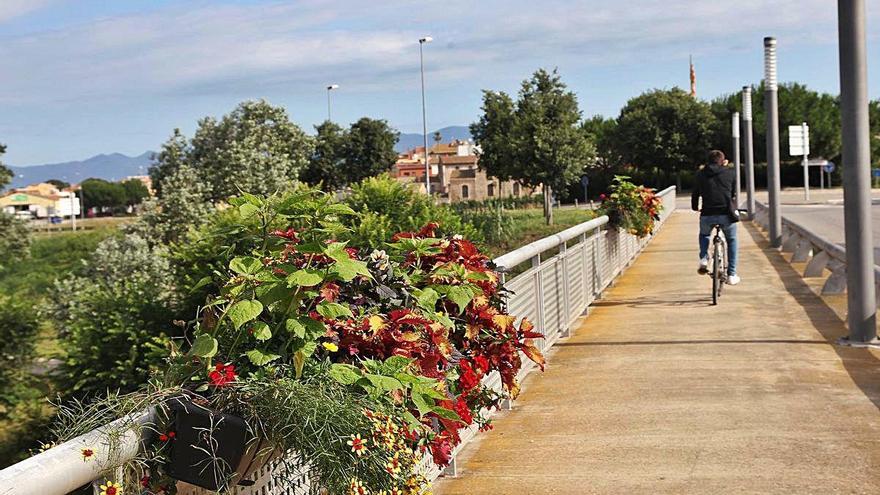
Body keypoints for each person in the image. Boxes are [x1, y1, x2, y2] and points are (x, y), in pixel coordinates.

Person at [691, 150, 740, 285]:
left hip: (707, 213)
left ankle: (704, 258)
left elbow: (695, 193)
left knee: (704, 235)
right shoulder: (730, 173)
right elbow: (733, 193)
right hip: (726, 214)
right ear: (723, 161)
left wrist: (695, 207)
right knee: (732, 240)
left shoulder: (700, 174)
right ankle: (731, 274)